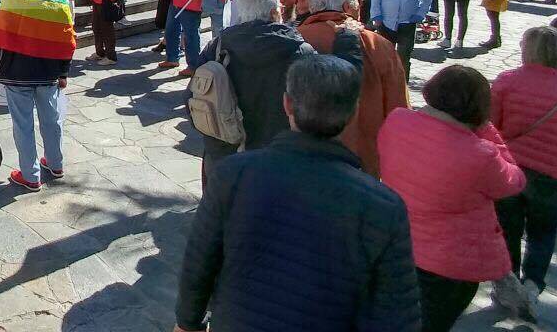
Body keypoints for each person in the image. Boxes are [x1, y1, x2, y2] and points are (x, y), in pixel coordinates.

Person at [173, 55, 420, 332]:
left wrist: (187, 323)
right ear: (353, 113)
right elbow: (396, 311)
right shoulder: (384, 207)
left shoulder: (233, 175)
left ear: (287, 104)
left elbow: (200, 261)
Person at [378, 66, 526, 332]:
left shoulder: (397, 120)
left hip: (400, 244)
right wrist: (489, 133)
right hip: (450, 264)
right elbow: (514, 182)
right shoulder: (480, 154)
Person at [491, 27, 557, 318]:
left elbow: (490, 130)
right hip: (552, 175)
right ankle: (533, 284)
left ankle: (507, 281)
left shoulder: (506, 82)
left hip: (508, 170)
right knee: (543, 233)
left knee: (507, 228)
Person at [298, 0, 408, 176]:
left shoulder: (297, 39)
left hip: (305, 157)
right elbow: (397, 109)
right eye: (358, 1)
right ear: (348, 7)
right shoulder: (378, 45)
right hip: (363, 157)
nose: (360, 6)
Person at [195, 0, 315, 169]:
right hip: (280, 153)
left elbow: (194, 95)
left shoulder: (218, 46)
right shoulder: (300, 50)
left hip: (227, 151)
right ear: (275, 13)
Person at [0, 0, 74, 191]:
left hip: (17, 72)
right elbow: (68, 42)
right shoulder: (60, 1)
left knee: (23, 125)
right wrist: (63, 72)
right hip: (48, 72)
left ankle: (30, 175)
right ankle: (55, 162)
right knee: (51, 120)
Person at [370, 0, 434, 80]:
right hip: (386, 22)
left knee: (404, 56)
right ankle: (384, 82)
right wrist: (376, 16)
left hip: (407, 23)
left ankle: (403, 85)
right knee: (385, 55)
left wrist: (419, 14)